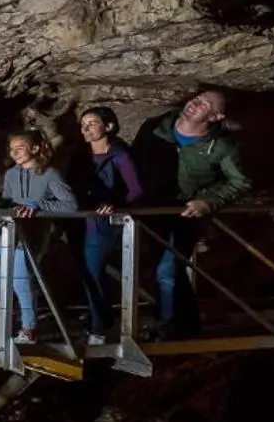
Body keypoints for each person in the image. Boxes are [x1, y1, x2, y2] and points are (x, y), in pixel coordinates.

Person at [132, 89, 251, 340]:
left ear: (216, 116)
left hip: (186, 216)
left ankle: (168, 329)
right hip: (152, 211)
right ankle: (184, 325)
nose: (195, 103)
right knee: (159, 270)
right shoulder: (155, 127)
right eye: (196, 98)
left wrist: (208, 202)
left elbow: (240, 182)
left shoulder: (220, 147)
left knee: (167, 270)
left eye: (205, 104)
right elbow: (134, 162)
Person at [0, 129, 79, 346]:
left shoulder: (49, 174)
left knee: (21, 282)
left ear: (35, 148)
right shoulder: (10, 175)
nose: (14, 153)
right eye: (12, 149)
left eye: (20, 148)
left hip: (31, 236)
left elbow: (71, 205)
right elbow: (5, 206)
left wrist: (38, 205)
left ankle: (29, 329)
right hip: (6, 234)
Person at [73, 106, 142, 345]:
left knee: (94, 274)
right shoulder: (80, 156)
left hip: (106, 225)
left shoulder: (121, 155)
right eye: (83, 124)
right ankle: (103, 321)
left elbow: (136, 190)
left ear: (109, 127)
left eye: (92, 123)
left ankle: (100, 329)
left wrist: (115, 203)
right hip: (83, 222)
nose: (86, 128)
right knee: (90, 275)